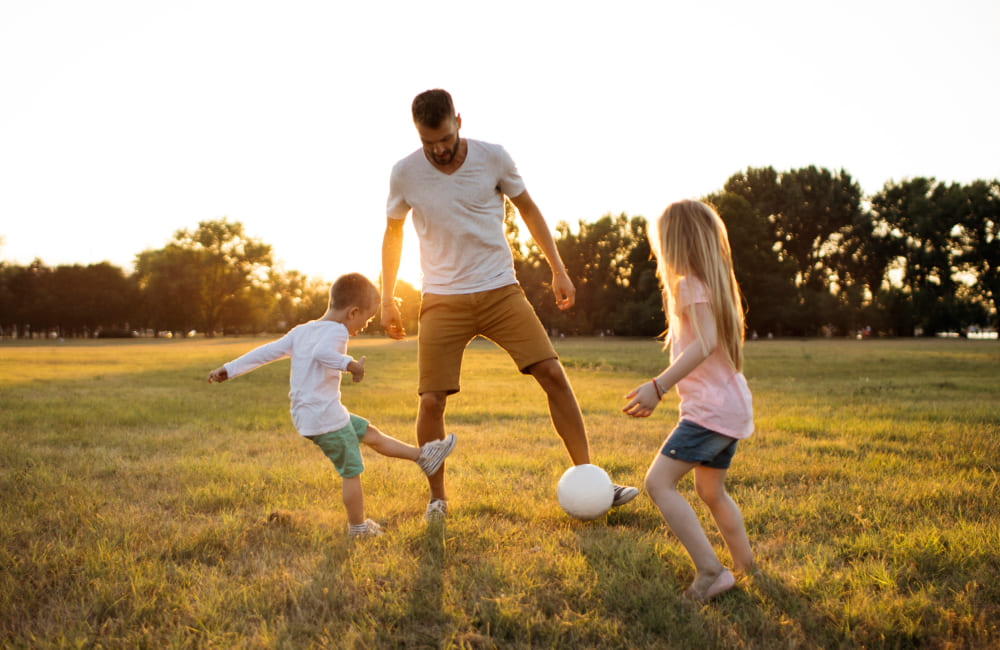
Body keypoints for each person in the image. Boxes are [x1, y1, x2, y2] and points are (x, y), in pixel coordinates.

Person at [380, 88, 638, 521]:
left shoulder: (493, 157)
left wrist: (558, 268)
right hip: (442, 298)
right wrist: (386, 297)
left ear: (458, 120)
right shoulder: (405, 173)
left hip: (501, 289)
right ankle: (437, 498)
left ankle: (592, 479)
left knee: (553, 373)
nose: (439, 150)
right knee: (430, 402)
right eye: (430, 144)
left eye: (444, 138)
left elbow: (529, 210)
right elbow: (393, 233)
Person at [208, 272, 457, 538]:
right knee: (351, 470)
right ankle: (358, 528)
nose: (364, 325)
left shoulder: (302, 330)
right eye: (366, 318)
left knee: (368, 432)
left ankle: (423, 457)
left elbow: (268, 351)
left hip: (312, 414)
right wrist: (349, 364)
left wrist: (230, 369)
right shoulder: (337, 331)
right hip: (324, 417)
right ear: (353, 312)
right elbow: (323, 354)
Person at [622, 199, 755, 602]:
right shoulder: (712, 285)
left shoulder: (688, 286)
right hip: (729, 408)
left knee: (658, 483)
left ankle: (712, 572)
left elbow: (704, 344)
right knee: (711, 492)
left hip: (710, 413)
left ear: (674, 244)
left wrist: (658, 387)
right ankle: (748, 568)